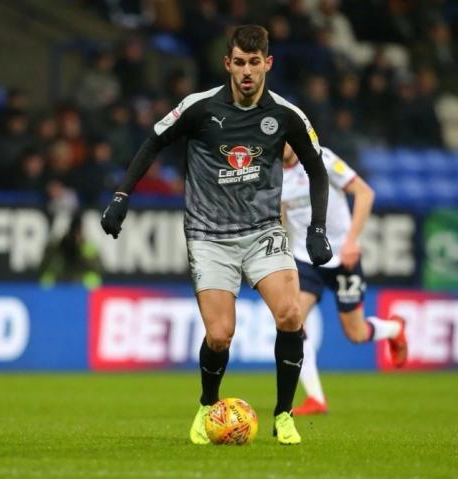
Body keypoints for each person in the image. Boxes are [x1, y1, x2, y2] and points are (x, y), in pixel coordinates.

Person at [100, 25, 333, 446]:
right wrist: (121, 196)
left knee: (291, 315)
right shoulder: (199, 107)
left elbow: (317, 169)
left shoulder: (286, 115)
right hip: (209, 235)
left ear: (268, 63)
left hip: (264, 231)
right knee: (220, 334)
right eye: (239, 63)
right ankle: (208, 404)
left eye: (254, 63)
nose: (247, 71)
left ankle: (284, 414)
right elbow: (152, 142)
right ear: (228, 63)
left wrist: (317, 227)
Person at [281, 144, 408, 416]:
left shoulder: (321, 158)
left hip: (342, 255)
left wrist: (352, 241)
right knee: (292, 323)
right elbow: (280, 217)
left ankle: (394, 330)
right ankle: (315, 398)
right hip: (305, 258)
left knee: (356, 333)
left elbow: (364, 193)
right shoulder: (271, 172)